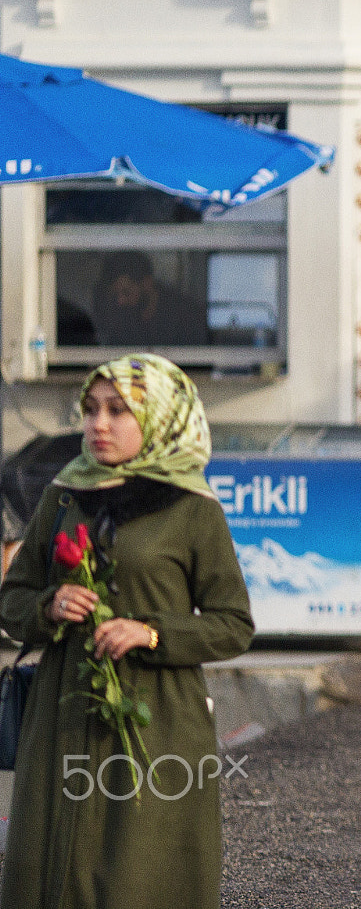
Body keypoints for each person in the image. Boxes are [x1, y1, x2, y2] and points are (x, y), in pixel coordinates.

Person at [0, 353, 255, 909]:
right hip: (63, 715)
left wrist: (152, 632)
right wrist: (49, 605)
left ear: (161, 418)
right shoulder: (62, 497)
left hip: (157, 723)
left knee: (140, 875)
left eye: (118, 411)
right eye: (90, 410)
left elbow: (233, 625)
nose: (97, 424)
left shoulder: (194, 510)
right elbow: (11, 602)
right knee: (53, 866)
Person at [91, 251, 209, 347]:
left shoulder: (184, 316)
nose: (120, 300)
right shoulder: (120, 317)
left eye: (126, 292)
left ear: (146, 283)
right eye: (115, 294)